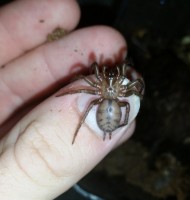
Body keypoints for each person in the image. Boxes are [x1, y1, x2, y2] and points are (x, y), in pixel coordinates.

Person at [0, 0, 136, 199]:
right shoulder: (108, 88)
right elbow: (91, 79)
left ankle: (110, 128)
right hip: (112, 106)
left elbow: (95, 79)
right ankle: (104, 128)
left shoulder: (100, 87)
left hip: (108, 106)